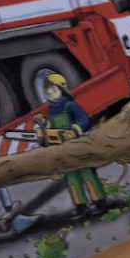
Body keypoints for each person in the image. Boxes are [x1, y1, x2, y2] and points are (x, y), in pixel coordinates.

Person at [33, 74, 108, 219]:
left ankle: (98, 202)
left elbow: (83, 120)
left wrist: (75, 130)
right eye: (48, 92)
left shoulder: (70, 106)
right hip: (63, 150)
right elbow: (51, 127)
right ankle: (80, 205)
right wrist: (44, 130)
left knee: (86, 174)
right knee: (71, 177)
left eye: (53, 91)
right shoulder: (52, 110)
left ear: (62, 90)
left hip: (77, 146)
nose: (51, 95)